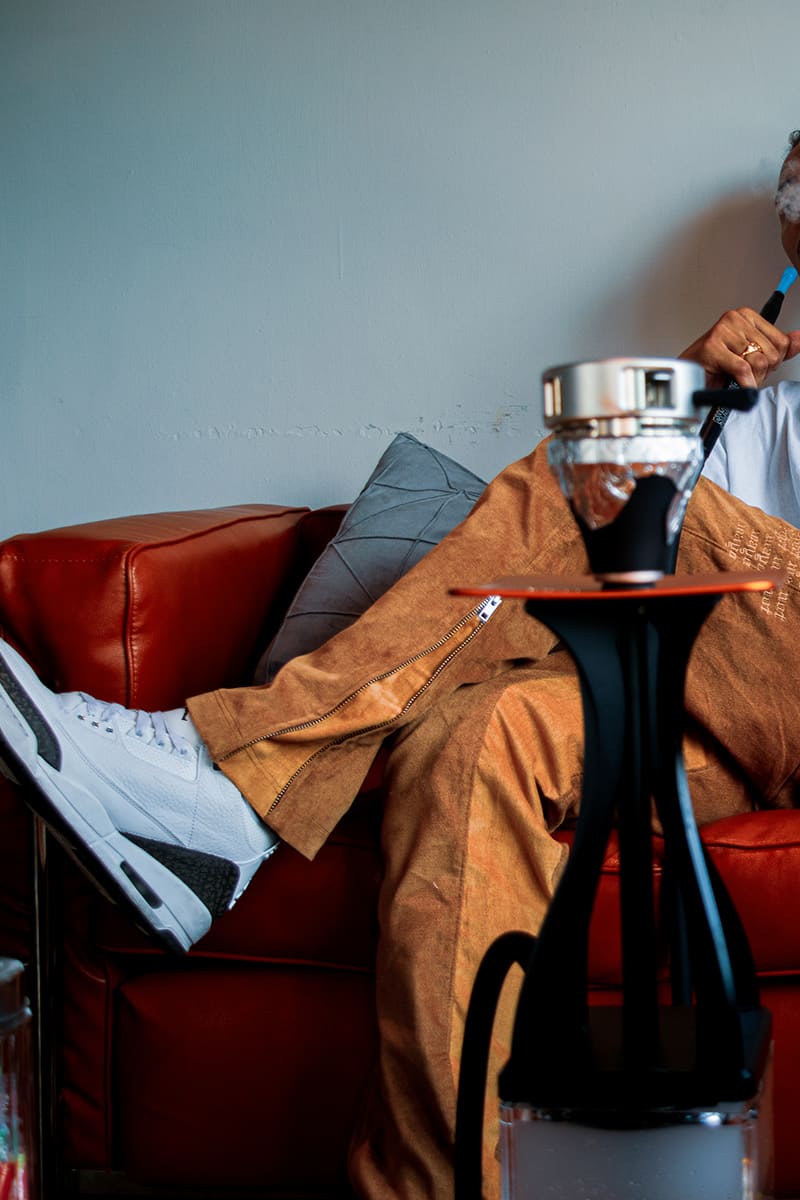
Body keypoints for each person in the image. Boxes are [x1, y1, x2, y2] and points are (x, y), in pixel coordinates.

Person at [3, 133, 800, 1200]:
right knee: (470, 739)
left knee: (605, 459)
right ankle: (438, 1187)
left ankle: (228, 776)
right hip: (705, 715)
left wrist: (631, 437)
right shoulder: (757, 404)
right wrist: (686, 387)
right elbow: (626, 573)